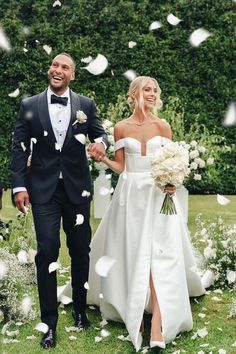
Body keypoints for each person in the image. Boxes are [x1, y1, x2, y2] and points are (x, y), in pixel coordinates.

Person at [86, 76, 206, 351]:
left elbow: (170, 162)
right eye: (147, 89)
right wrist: (102, 158)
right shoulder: (120, 127)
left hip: (157, 196)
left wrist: (173, 181)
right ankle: (136, 308)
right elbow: (121, 167)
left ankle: (157, 321)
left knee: (159, 254)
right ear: (134, 93)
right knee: (131, 251)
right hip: (129, 198)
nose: (152, 94)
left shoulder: (163, 126)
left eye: (155, 90)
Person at [11, 53, 108, 349]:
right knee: (47, 250)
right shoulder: (29, 105)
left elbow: (100, 133)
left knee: (80, 250)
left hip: (77, 190)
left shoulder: (86, 105)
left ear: (72, 75)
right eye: (55, 65)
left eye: (65, 67)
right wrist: (18, 186)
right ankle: (49, 323)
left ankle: (79, 309)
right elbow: (18, 146)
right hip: (43, 190)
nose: (58, 69)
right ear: (50, 70)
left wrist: (100, 144)